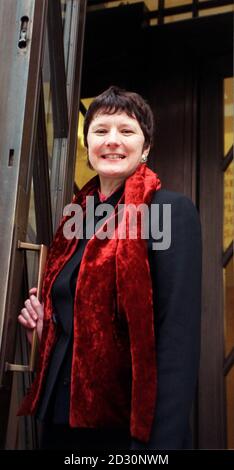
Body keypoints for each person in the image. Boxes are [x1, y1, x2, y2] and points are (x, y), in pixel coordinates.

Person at [18, 85, 202, 450]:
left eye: (127, 131)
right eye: (101, 131)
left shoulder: (168, 211)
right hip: (62, 422)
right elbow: (80, 324)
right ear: (88, 145)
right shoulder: (75, 219)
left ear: (145, 147)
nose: (112, 140)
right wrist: (46, 332)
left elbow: (177, 340)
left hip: (128, 430)